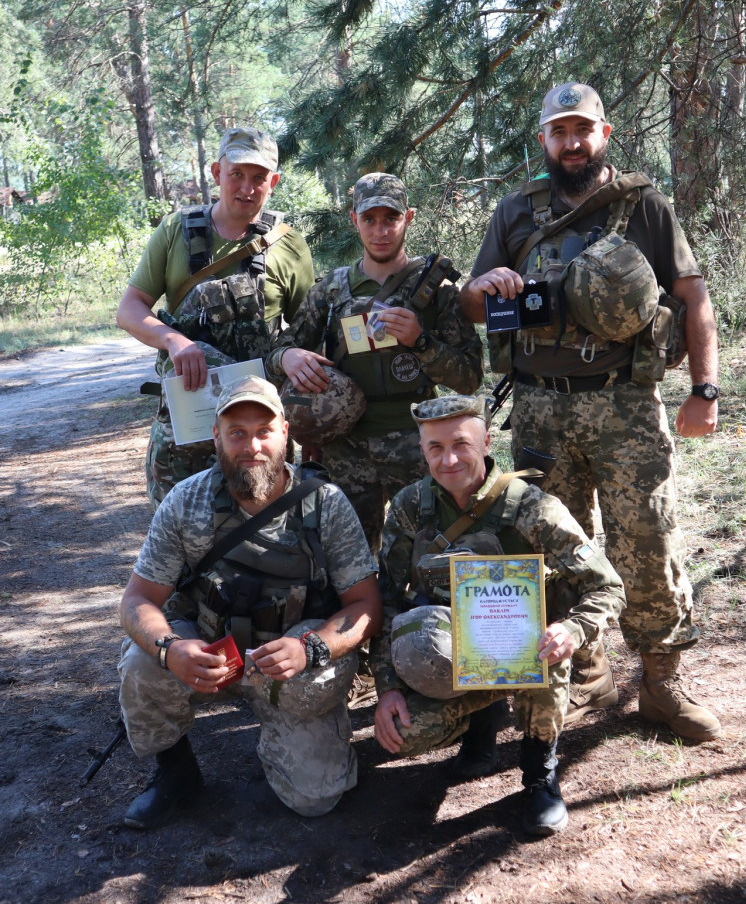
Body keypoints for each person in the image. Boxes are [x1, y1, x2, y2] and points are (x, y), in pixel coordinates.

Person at [459, 82, 721, 741]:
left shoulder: (645, 208)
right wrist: (483, 288)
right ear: (543, 139)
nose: (571, 142)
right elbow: (471, 301)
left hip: (627, 402)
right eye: (559, 131)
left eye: (582, 129)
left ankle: (661, 682)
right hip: (542, 406)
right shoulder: (516, 212)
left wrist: (704, 390)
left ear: (603, 134)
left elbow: (693, 296)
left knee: (648, 541)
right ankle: (587, 667)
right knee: (557, 546)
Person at [118, 376, 380, 829]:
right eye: (236, 432)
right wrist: (170, 649)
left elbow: (366, 605)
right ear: (216, 436)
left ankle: (287, 736)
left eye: (263, 430)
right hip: (208, 653)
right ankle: (176, 773)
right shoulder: (186, 501)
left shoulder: (326, 505)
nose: (251, 445)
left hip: (290, 668)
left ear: (285, 433)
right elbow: (138, 599)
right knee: (142, 663)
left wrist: (311, 647)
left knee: (315, 800)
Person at [371, 395, 625, 836]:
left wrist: (572, 630)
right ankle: (480, 723)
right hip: (451, 651)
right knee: (405, 734)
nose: (448, 459)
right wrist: (387, 688)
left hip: (526, 650)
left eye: (461, 444)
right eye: (435, 447)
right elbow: (387, 598)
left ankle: (540, 772)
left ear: (487, 442)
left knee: (548, 650)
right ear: (421, 449)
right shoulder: (412, 507)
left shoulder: (531, 507)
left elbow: (608, 585)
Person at [267, 172, 483, 552]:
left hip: (417, 446)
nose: (380, 230)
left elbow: (470, 377)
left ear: (409, 218)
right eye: (369, 219)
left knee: (428, 556)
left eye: (390, 218)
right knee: (347, 561)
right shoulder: (330, 290)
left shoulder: (436, 291)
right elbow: (278, 351)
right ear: (354, 220)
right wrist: (288, 355)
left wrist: (421, 341)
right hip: (346, 449)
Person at [117, 127, 315, 508]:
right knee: (181, 541)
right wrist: (174, 340)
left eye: (259, 177)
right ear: (216, 173)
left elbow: (307, 334)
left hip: (257, 433)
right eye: (236, 174)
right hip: (187, 423)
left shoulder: (288, 244)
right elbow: (129, 309)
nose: (247, 187)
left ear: (272, 182)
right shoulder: (176, 230)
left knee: (263, 536)